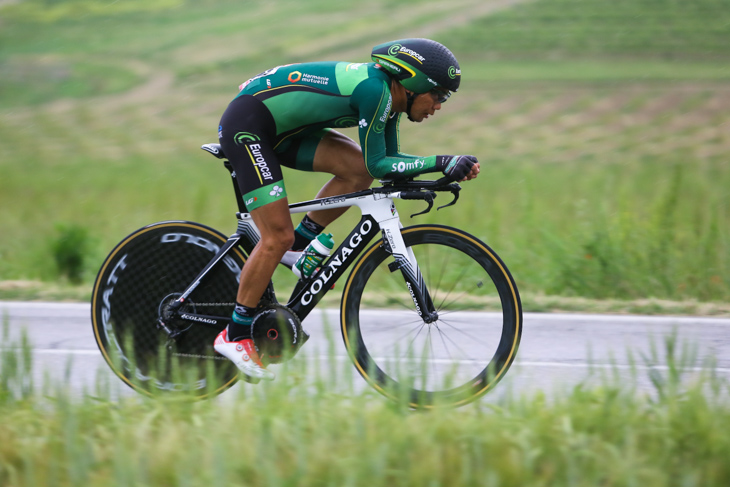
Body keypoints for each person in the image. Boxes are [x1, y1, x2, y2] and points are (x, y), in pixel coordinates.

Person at [213, 38, 480, 381]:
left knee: (358, 170)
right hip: (249, 126)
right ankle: (234, 335)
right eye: (439, 95)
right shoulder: (375, 91)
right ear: (413, 83)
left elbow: (384, 164)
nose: (439, 106)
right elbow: (382, 164)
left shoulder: (390, 99)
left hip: (284, 130)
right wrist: (442, 162)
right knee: (275, 236)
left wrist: (442, 171)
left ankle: (301, 246)